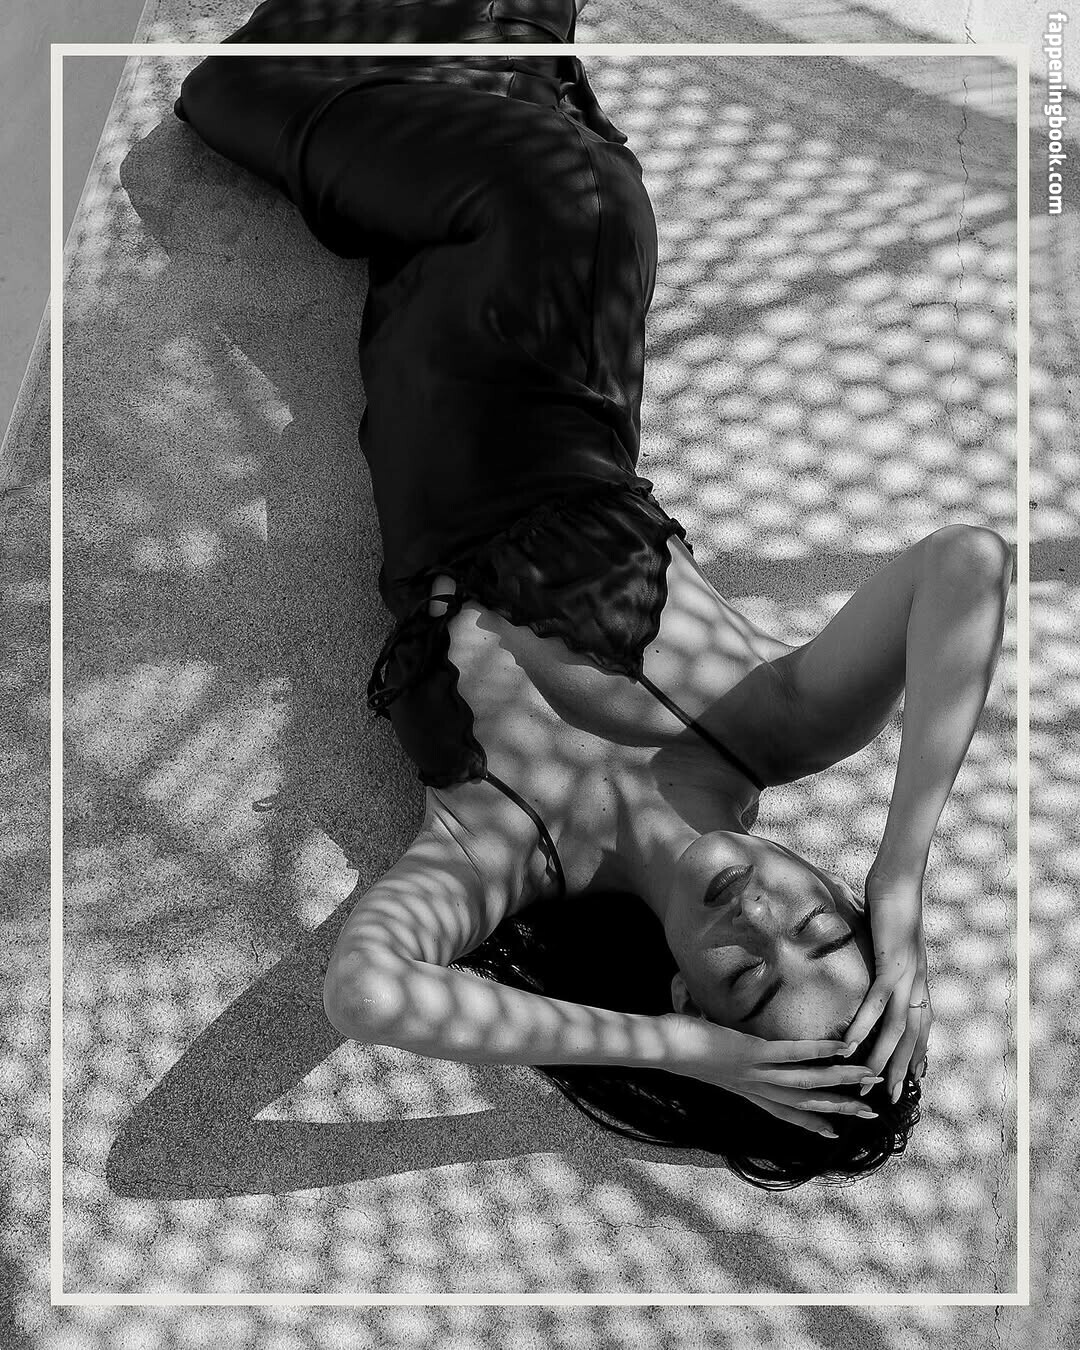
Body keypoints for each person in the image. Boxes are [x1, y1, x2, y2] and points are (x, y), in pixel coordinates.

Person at [174, 0, 1014, 1187]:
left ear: (691, 998)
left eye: (748, 980)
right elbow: (965, 562)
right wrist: (903, 876)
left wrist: (683, 1056)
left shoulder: (511, 855)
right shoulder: (773, 727)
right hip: (559, 269)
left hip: (456, 285)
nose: (758, 919)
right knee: (429, 132)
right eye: (818, 924)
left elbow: (368, 991)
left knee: (305, 93)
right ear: (835, 888)